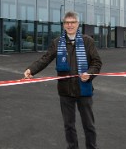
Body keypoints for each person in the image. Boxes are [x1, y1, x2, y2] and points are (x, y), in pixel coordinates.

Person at [24, 11, 102, 149]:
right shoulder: (57, 42)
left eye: (73, 22)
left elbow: (96, 62)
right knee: (69, 125)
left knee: (89, 125)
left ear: (78, 24)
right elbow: (45, 58)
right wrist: (31, 69)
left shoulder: (87, 41)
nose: (70, 25)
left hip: (84, 89)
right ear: (63, 25)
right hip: (65, 91)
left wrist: (89, 74)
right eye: (67, 22)